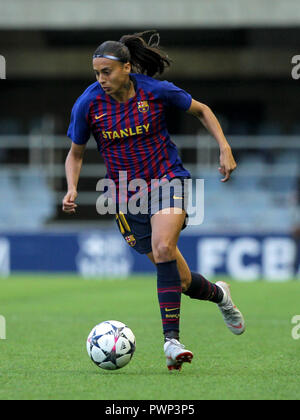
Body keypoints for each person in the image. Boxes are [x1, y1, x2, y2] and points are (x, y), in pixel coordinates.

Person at [63, 30, 245, 371]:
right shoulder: (87, 104)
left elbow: (202, 110)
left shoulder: (155, 91)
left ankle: (171, 342)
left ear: (128, 68)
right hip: (125, 196)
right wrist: (72, 187)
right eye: (96, 73)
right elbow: (75, 154)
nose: (100, 79)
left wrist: (224, 146)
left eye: (107, 72)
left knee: (163, 248)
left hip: (167, 179)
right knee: (184, 280)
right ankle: (220, 295)